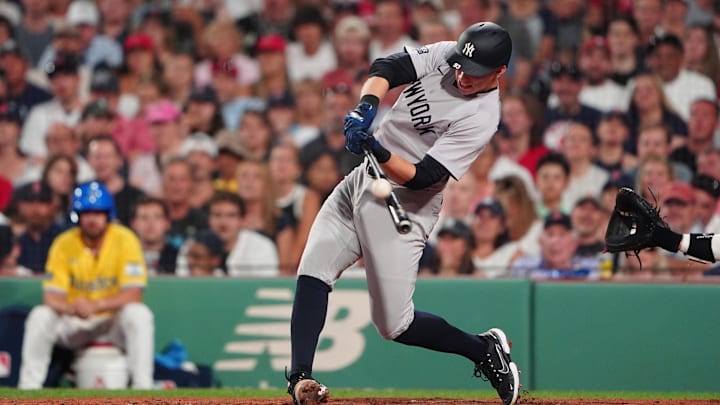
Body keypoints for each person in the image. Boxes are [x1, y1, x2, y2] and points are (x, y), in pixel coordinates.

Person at [285, 22, 519, 405]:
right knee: (313, 269)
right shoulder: (452, 54)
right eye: (460, 66)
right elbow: (388, 66)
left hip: (405, 205)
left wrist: (376, 148)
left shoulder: (482, 116)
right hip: (363, 181)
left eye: (474, 73)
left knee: (394, 324)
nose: (462, 75)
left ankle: (482, 349)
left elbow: (424, 176)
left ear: (499, 73)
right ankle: (300, 380)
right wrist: (366, 107)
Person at [18, 181, 154, 389]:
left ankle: (143, 387)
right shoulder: (64, 243)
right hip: (76, 321)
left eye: (98, 213)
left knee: (139, 314)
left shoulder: (125, 239)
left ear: (108, 215)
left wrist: (97, 305)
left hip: (112, 321)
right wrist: (72, 308)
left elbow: (134, 293)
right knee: (40, 316)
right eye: (87, 213)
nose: (92, 219)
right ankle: (29, 387)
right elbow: (51, 297)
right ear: (77, 216)